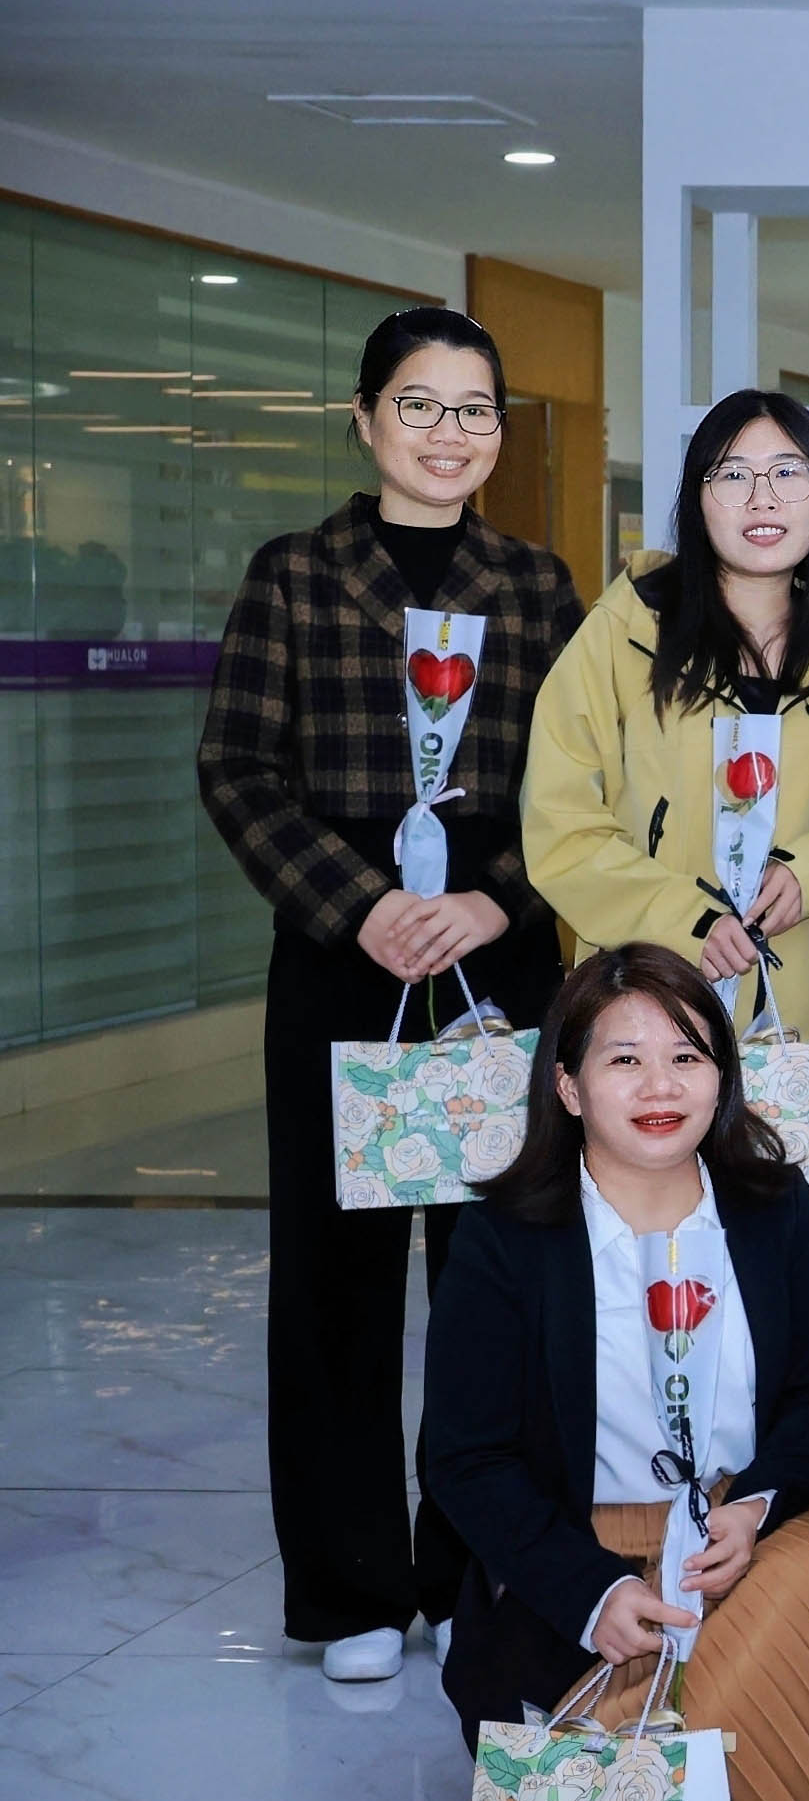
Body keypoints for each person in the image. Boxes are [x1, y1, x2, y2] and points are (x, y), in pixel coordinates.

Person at [197, 306, 585, 1686]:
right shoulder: (296, 574)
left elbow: (583, 782)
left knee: (498, 1273)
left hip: (496, 955)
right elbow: (238, 768)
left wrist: (497, 897)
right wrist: (361, 905)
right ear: (365, 419)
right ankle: (351, 1587)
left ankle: (476, 1566)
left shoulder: (535, 586)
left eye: (475, 408)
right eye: (419, 404)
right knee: (336, 1282)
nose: (448, 433)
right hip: (341, 956)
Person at [422, 944, 809, 1801]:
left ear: (722, 1080)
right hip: (579, 1561)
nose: (661, 1086)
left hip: (743, 1547)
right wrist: (591, 1593)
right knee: (745, 1636)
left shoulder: (770, 1208)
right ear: (568, 1087)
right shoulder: (504, 1239)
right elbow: (463, 1459)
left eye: (687, 1057)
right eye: (625, 1059)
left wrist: (756, 1506)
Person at [523, 390, 809, 1031]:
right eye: (733, 475)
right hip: (648, 995)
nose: (763, 499)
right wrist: (684, 919)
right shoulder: (625, 632)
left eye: (788, 472)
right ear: (696, 497)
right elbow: (559, 820)